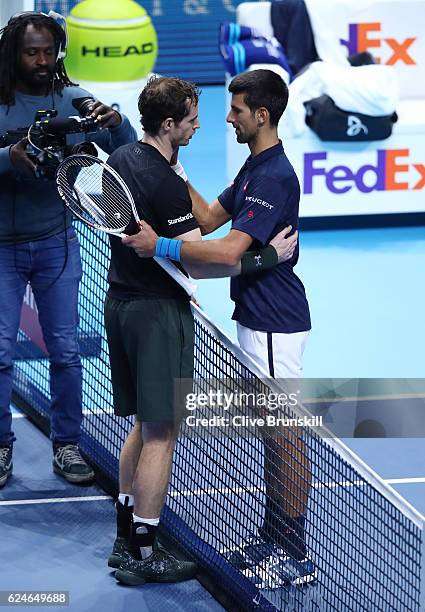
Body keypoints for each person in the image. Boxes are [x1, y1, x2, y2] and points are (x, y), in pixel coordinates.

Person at [123, 69, 316, 588]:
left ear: (262, 115)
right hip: (255, 317)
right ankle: (272, 535)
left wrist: (158, 246)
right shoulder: (254, 168)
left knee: (284, 436)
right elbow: (208, 219)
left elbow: (228, 252)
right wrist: (167, 161)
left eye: (235, 110)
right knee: (269, 434)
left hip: (276, 320)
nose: (225, 119)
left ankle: (294, 550)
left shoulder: (274, 176)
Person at [0, 11, 137, 488]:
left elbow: (127, 147)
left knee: (64, 350)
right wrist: (8, 157)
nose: (41, 60)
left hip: (56, 243)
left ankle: (68, 446)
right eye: (31, 52)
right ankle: (1, 447)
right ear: (13, 53)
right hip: (1, 251)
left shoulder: (76, 101)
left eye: (48, 52)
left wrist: (117, 122)